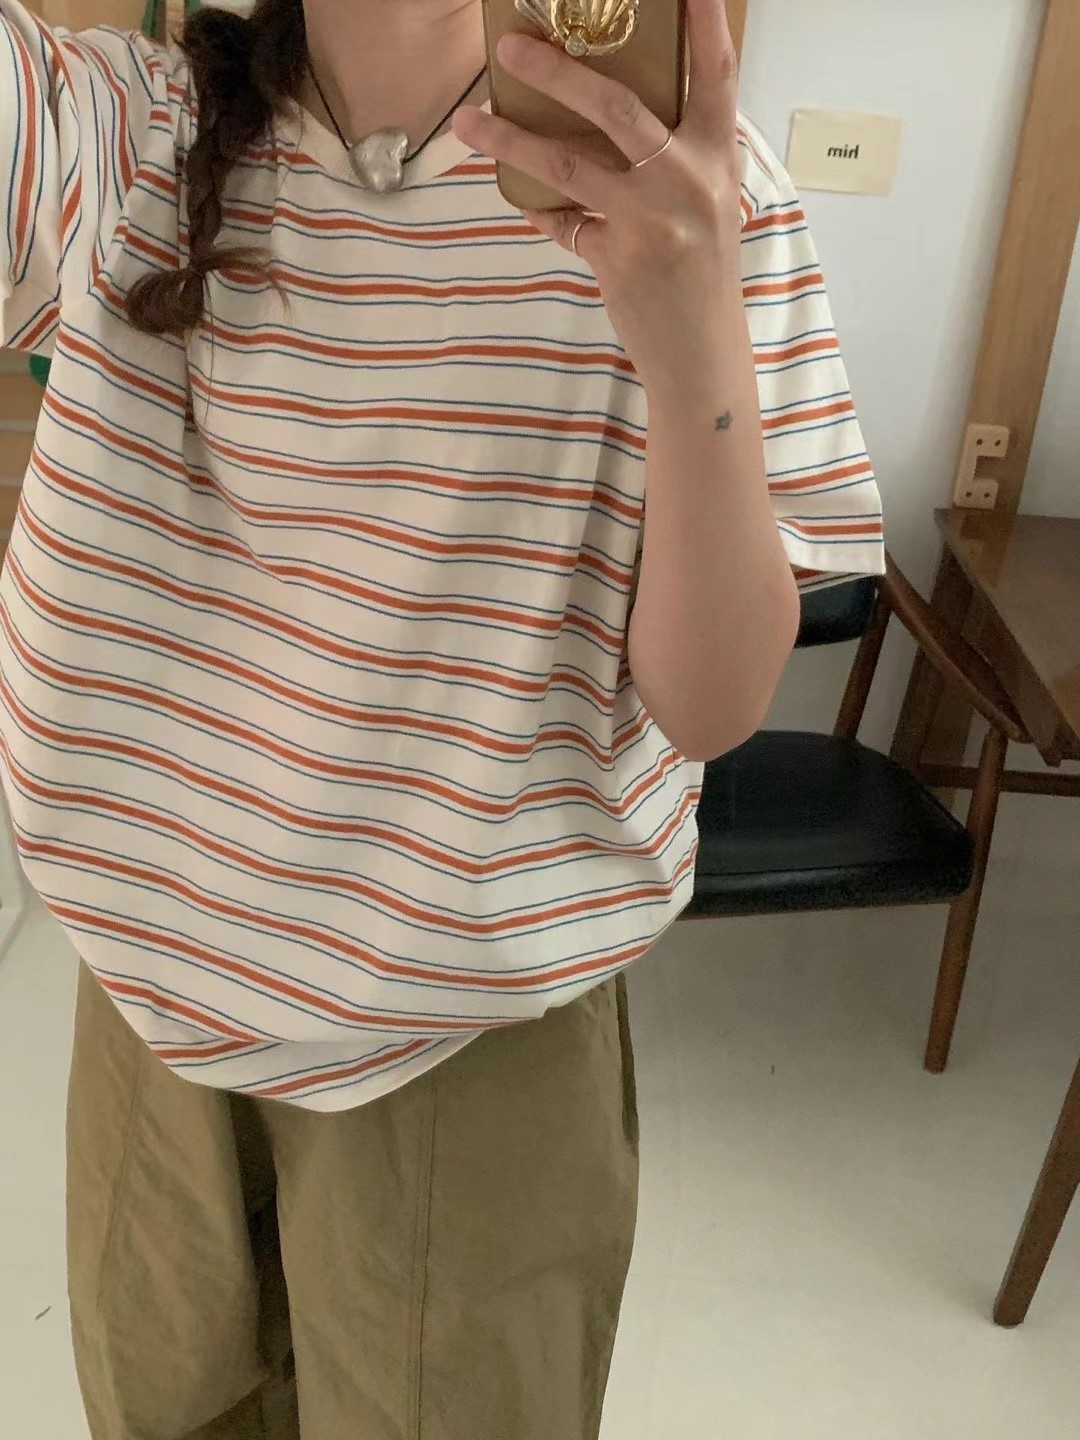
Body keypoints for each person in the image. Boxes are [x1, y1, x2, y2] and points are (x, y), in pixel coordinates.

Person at [0, 0, 883, 1435]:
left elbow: (713, 708)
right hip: (147, 1009)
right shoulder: (119, 128)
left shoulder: (684, 193)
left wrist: (692, 346)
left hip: (476, 1043)